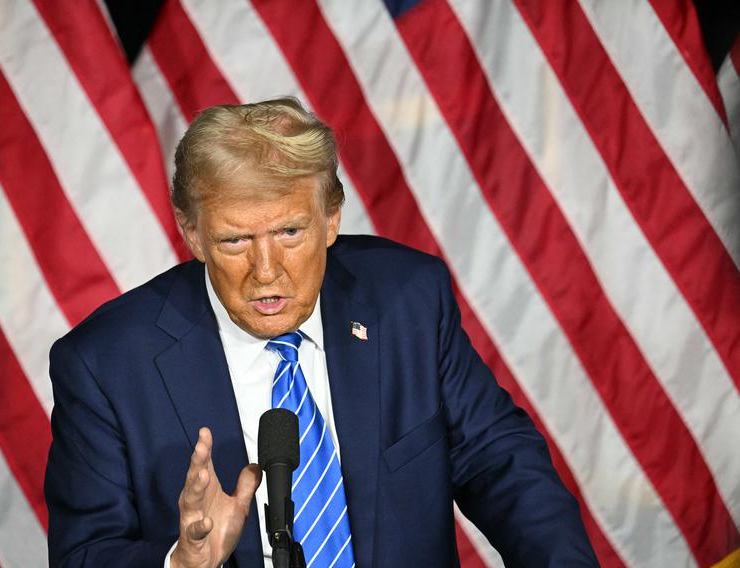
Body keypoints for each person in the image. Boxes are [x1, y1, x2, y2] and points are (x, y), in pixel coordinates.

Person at [44, 98, 598, 567]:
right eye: (235, 241)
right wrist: (181, 564)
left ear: (332, 217)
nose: (266, 271)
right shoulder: (105, 364)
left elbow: (500, 464)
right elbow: (84, 554)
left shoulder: (407, 300)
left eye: (289, 231)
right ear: (192, 233)